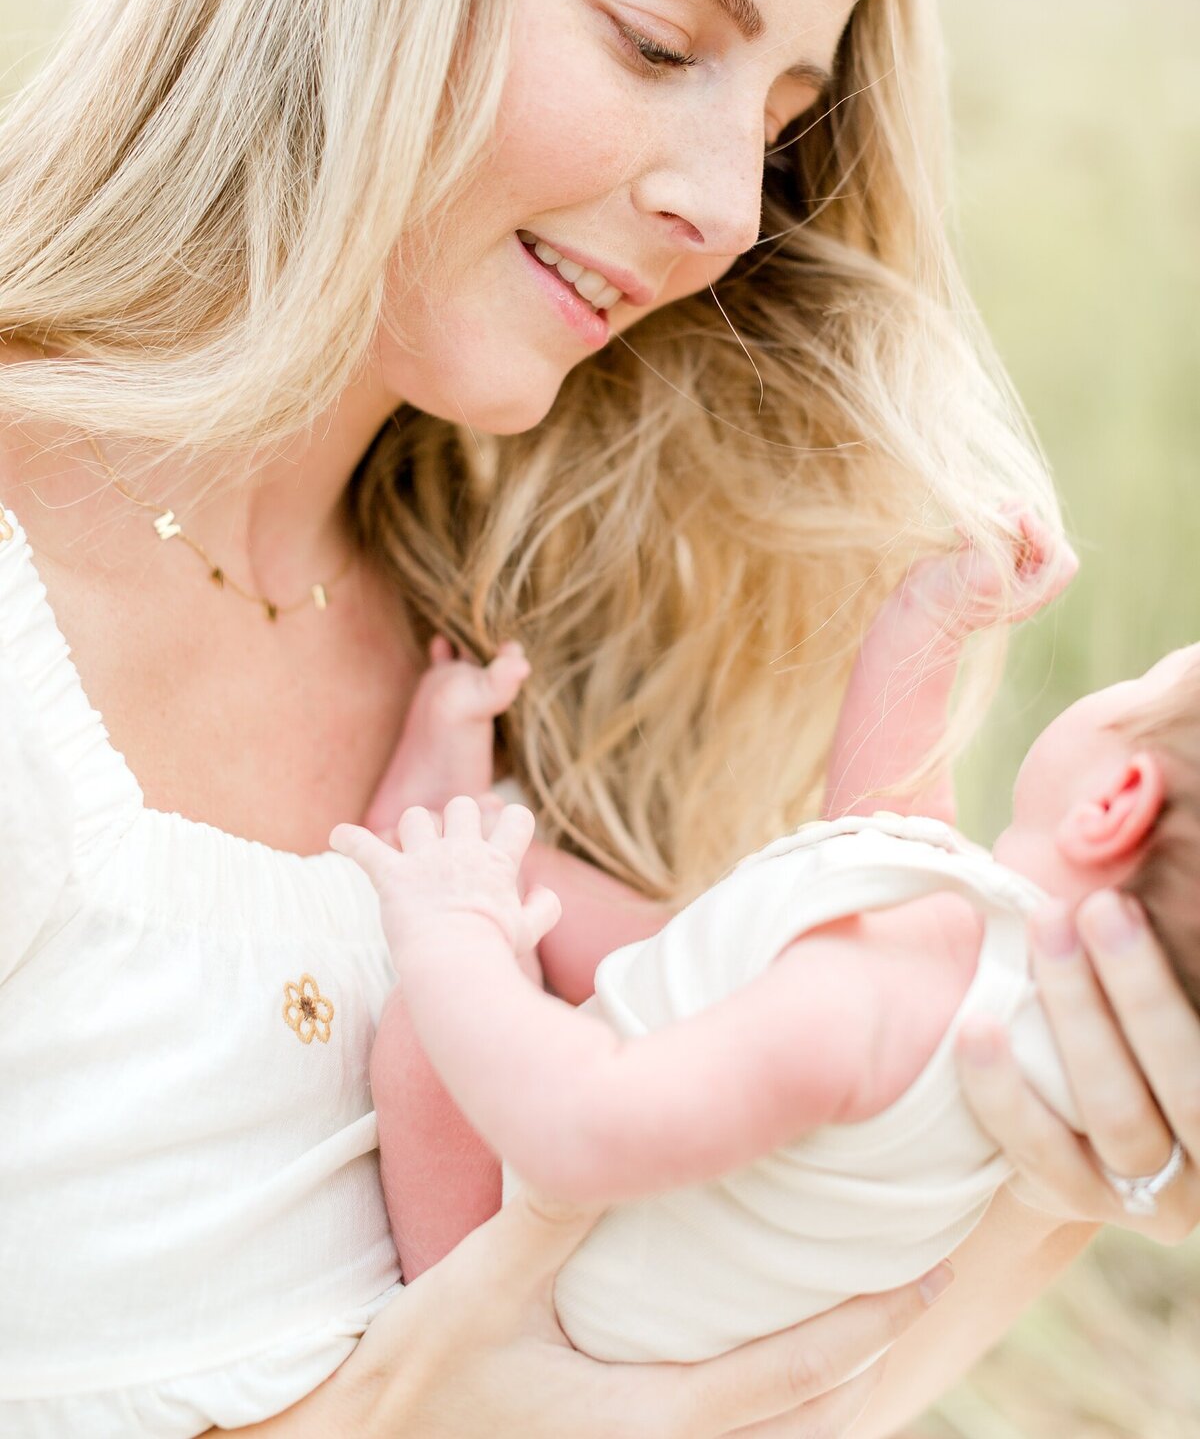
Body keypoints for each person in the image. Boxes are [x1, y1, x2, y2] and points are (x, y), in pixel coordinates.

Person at [0, 0, 1196, 1434]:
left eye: (783, 133)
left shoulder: (517, 649)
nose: (723, 209)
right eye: (656, 44)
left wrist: (1059, 1163)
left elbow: (738, 1399)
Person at [331, 515, 1200, 1366]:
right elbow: (883, 825)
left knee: (432, 1033)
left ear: (1114, 801)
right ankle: (446, 831)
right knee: (632, 914)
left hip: (530, 1278)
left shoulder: (874, 1005)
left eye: (1145, 681)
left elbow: (579, 1123)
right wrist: (929, 621)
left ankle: (425, 882)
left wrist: (458, 943)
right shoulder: (995, 983)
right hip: (665, 1153)